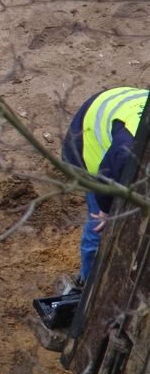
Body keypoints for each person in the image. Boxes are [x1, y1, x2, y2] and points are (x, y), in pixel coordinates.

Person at [61, 86, 147, 285]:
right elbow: (105, 179)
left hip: (120, 107)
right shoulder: (127, 150)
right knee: (100, 228)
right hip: (89, 138)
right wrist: (107, 212)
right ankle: (87, 283)